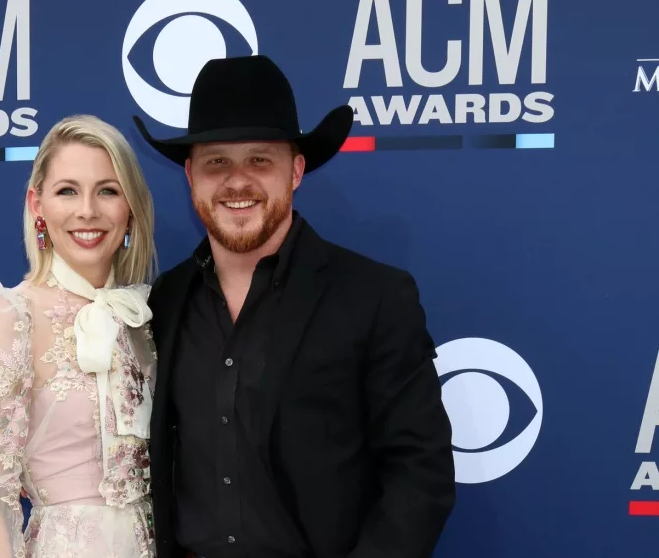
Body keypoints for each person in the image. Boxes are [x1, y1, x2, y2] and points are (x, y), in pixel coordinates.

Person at [133, 55, 456, 558]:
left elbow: (421, 473)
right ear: (191, 176)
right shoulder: (163, 301)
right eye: (217, 161)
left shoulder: (374, 296)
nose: (237, 181)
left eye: (260, 159)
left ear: (296, 170)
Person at [0, 114, 160, 558]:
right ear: (37, 204)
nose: (87, 211)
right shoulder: (7, 314)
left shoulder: (144, 318)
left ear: (131, 208)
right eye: (67, 191)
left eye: (108, 191)